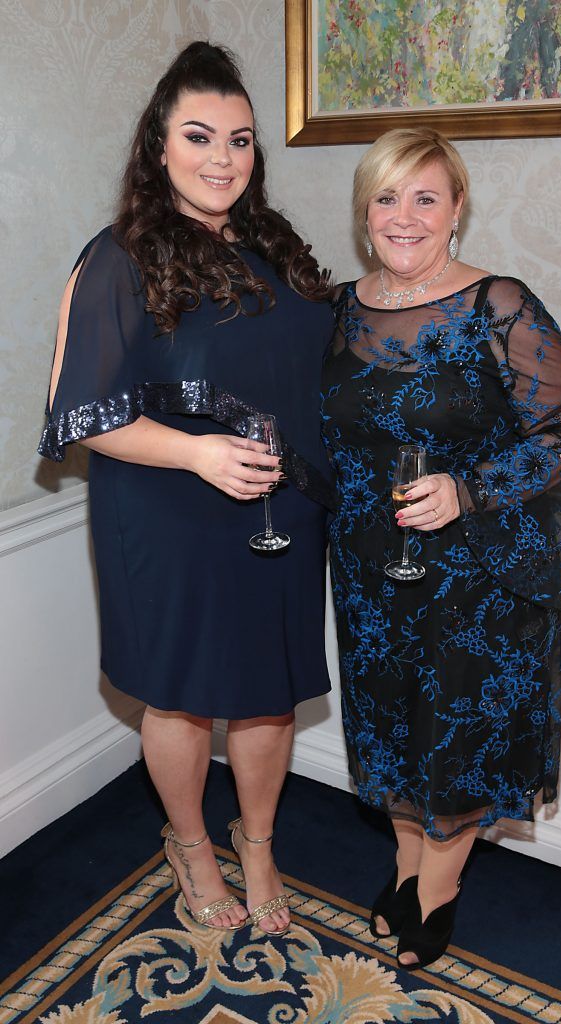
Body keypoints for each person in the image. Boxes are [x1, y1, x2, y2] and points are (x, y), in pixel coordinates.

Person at [38, 41, 335, 937]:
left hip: (280, 512)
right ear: (158, 146)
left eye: (241, 140)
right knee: (179, 694)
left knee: (270, 692)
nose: (222, 159)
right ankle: (193, 846)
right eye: (200, 136)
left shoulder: (271, 243)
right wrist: (200, 456)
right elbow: (78, 413)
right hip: (168, 513)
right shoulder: (119, 255)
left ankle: (258, 843)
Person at [321, 127, 561, 968]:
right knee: (392, 728)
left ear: (456, 208)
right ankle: (406, 866)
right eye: (386, 197)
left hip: (476, 572)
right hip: (371, 568)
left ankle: (436, 888)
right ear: (365, 211)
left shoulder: (499, 304)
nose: (403, 216)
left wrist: (466, 490)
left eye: (424, 197)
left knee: (456, 733)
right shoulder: (337, 305)